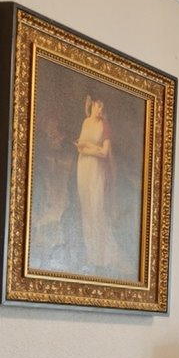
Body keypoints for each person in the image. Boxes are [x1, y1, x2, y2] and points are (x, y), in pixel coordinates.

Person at [75, 93, 117, 273]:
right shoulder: (86, 123)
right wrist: (91, 148)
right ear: (92, 104)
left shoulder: (104, 125)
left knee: (97, 208)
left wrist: (89, 147)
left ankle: (103, 256)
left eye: (102, 107)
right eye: (98, 105)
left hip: (97, 169)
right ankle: (91, 255)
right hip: (83, 168)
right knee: (86, 210)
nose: (100, 109)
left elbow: (104, 153)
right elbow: (80, 148)